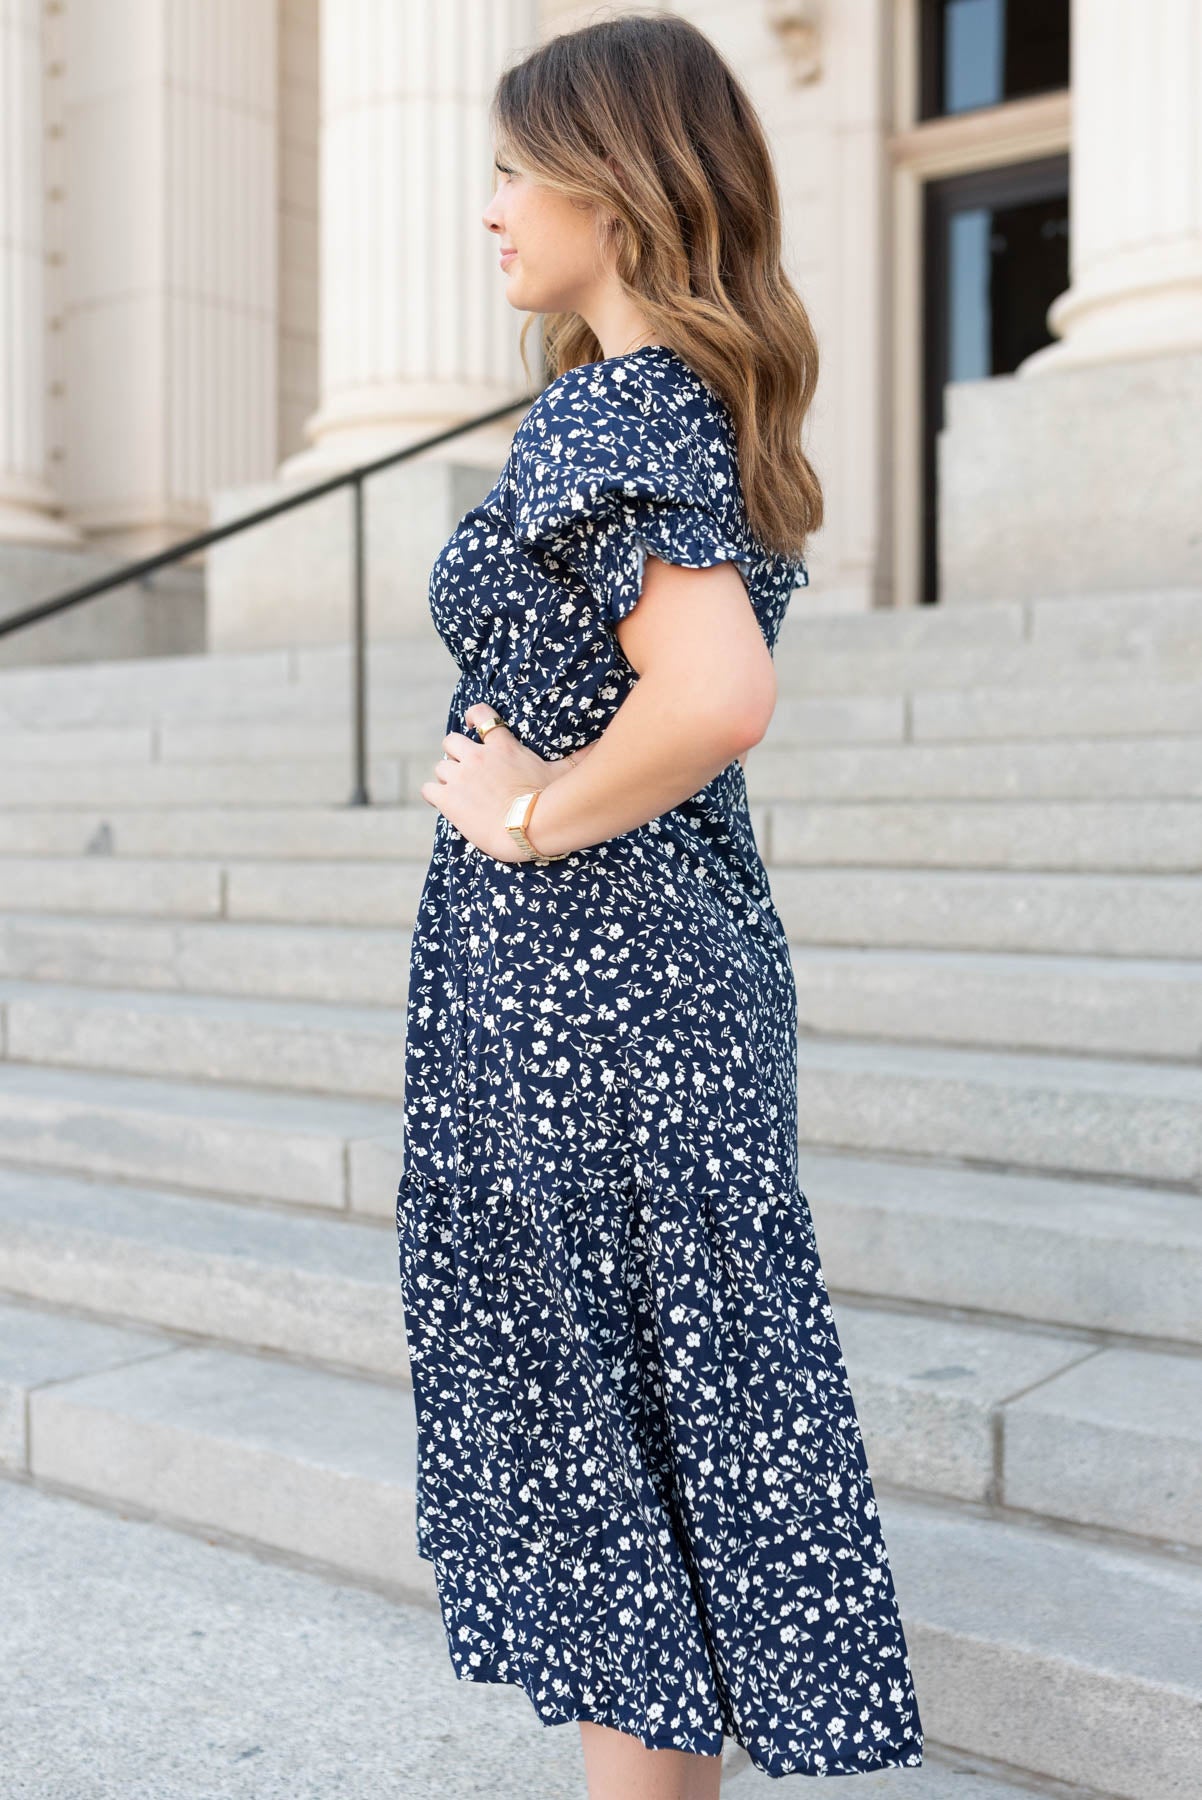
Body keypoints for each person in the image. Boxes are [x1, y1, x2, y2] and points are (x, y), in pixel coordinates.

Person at [395, 14, 924, 1797]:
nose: (486, 208)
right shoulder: (660, 403)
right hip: (630, 982)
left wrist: (524, 819)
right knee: (647, 1431)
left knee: (615, 1434)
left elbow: (710, 697)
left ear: (609, 193)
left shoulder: (626, 413)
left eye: (507, 166)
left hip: (596, 983)